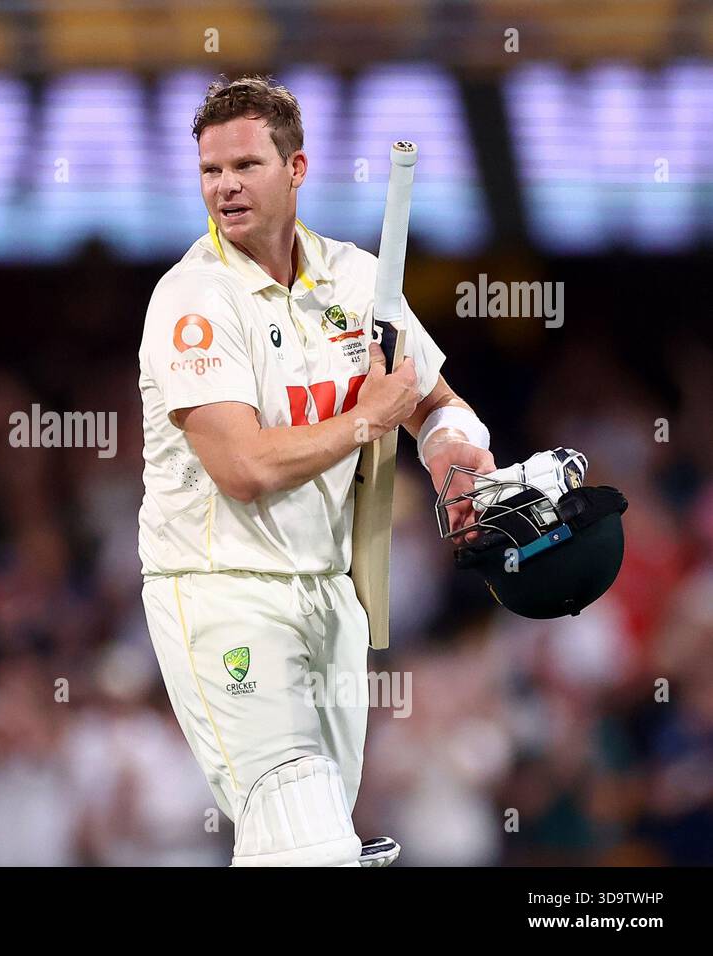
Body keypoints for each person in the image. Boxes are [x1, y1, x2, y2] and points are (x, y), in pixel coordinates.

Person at [137, 75, 494, 867]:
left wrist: (457, 465)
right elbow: (243, 466)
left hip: (333, 594)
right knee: (305, 836)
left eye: (245, 166)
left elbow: (434, 403)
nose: (223, 186)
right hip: (222, 590)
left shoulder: (360, 281)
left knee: (307, 840)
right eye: (209, 171)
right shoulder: (194, 299)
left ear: (296, 170)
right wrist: (369, 415)